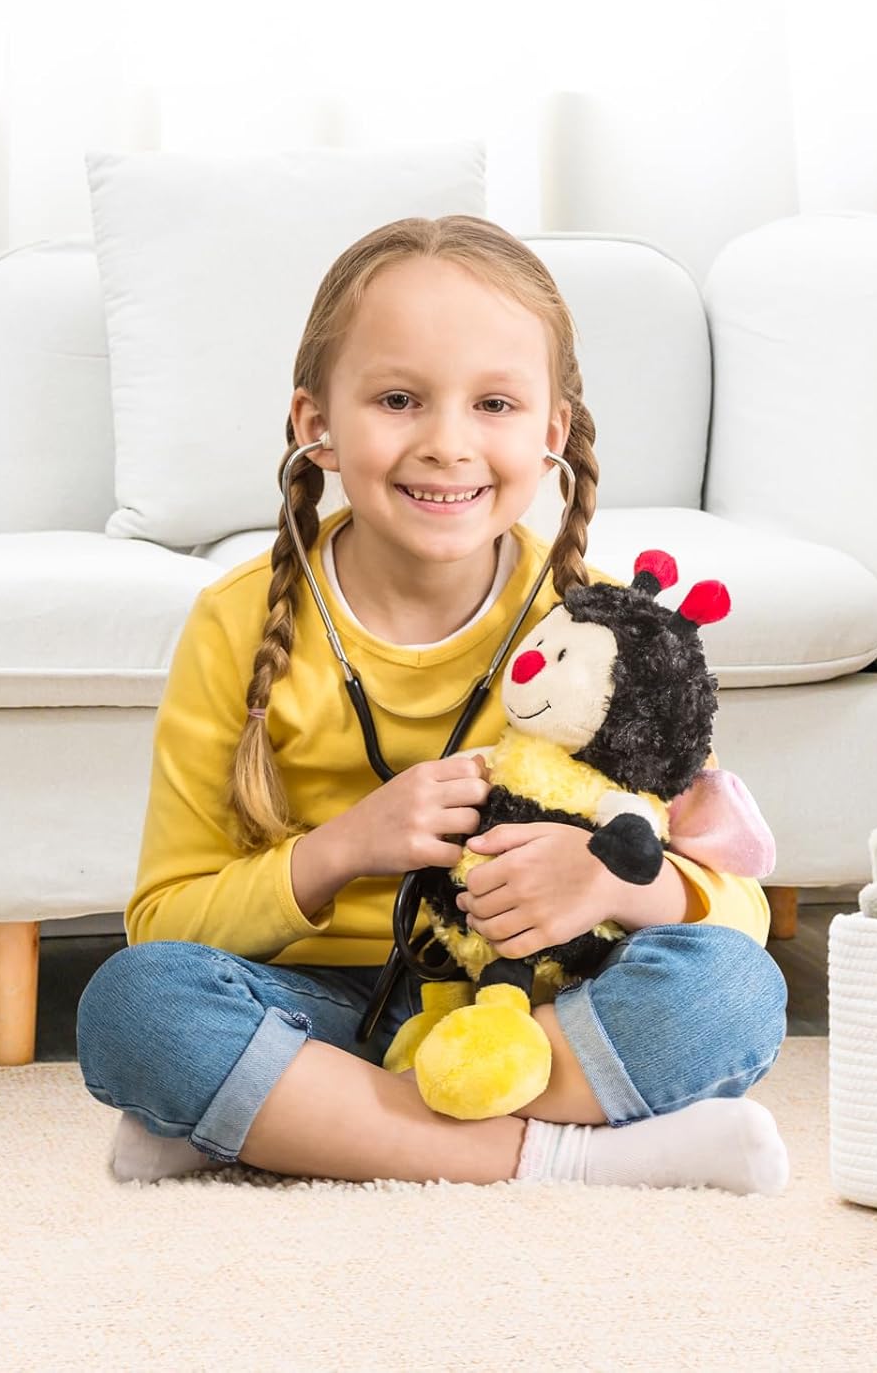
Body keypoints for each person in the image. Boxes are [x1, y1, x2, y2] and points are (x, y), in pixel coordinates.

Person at [75, 215, 790, 1195]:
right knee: (135, 1007)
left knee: (735, 989)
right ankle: (568, 1160)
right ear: (314, 423)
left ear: (553, 434)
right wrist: (342, 850)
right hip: (323, 1010)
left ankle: (290, 1123)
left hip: (533, 1011)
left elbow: (736, 901)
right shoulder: (236, 621)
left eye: (493, 403)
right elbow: (163, 924)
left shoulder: (603, 629)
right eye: (399, 399)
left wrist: (616, 886)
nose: (447, 445)